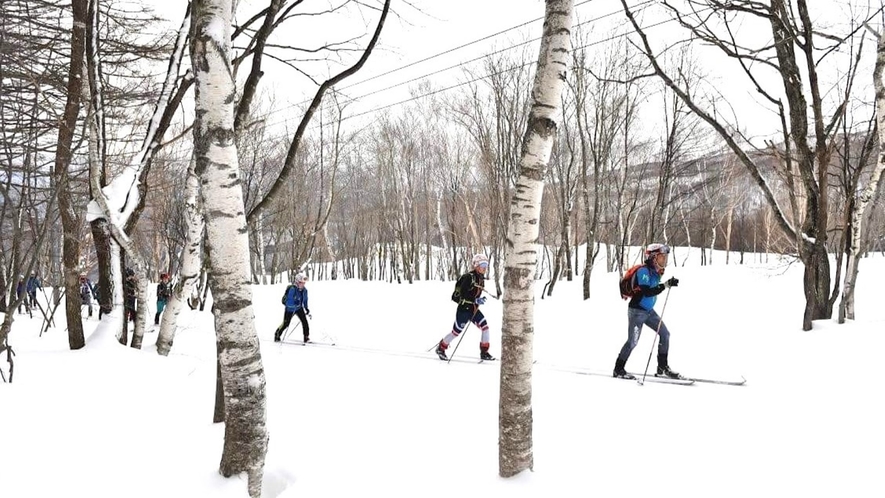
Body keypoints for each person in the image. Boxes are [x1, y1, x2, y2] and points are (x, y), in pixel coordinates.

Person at [613, 243, 681, 380]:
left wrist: (667, 283)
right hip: (637, 312)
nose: (664, 260)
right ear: (653, 257)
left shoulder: (656, 271)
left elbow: (655, 288)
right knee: (632, 342)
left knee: (665, 334)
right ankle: (618, 369)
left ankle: (662, 367)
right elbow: (647, 292)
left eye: (665, 257)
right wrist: (665, 285)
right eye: (662, 257)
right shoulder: (643, 271)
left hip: (649, 312)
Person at [435, 253, 495, 361]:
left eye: (486, 265)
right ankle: (441, 347)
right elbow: (460, 294)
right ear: (476, 265)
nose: (485, 268)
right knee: (456, 332)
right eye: (482, 265)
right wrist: (475, 300)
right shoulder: (468, 277)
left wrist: (478, 301)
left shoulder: (481, 279)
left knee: (485, 327)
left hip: (474, 309)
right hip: (463, 310)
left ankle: (484, 352)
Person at [274, 273, 310, 343]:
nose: (303, 284)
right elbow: (288, 302)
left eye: (303, 283)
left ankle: (306, 337)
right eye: (301, 283)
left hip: (299, 308)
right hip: (290, 310)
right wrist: (294, 303)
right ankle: (277, 334)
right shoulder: (292, 289)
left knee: (305, 322)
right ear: (297, 282)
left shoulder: (304, 290)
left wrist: (306, 308)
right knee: (286, 324)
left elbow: (305, 300)